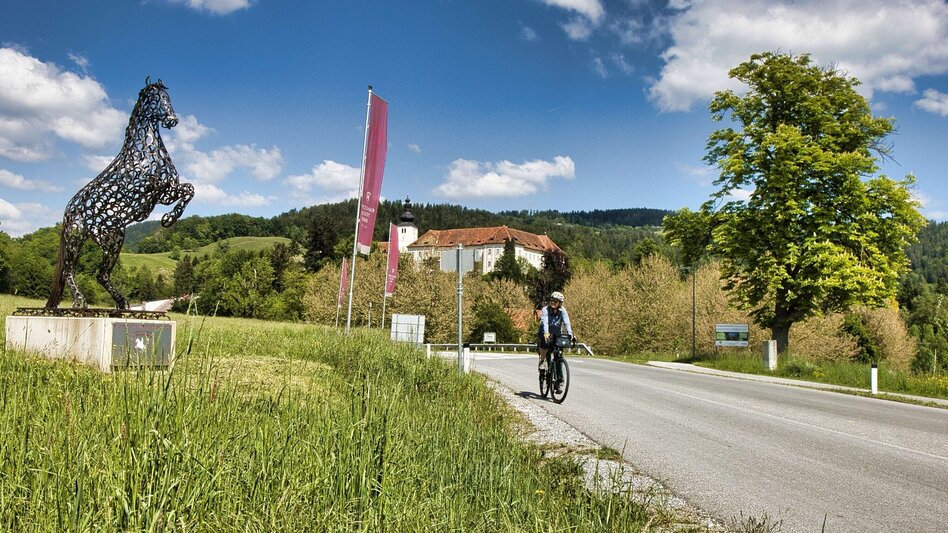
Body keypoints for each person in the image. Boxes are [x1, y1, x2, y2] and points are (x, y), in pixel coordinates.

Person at [537, 291, 574, 391]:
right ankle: (543, 361)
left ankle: (559, 381)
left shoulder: (563, 311)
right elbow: (545, 322)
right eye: (552, 300)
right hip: (545, 332)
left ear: (560, 303)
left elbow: (567, 323)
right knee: (545, 344)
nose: (553, 302)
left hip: (557, 334)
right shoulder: (545, 310)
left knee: (558, 357)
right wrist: (546, 333)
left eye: (556, 301)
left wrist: (570, 334)